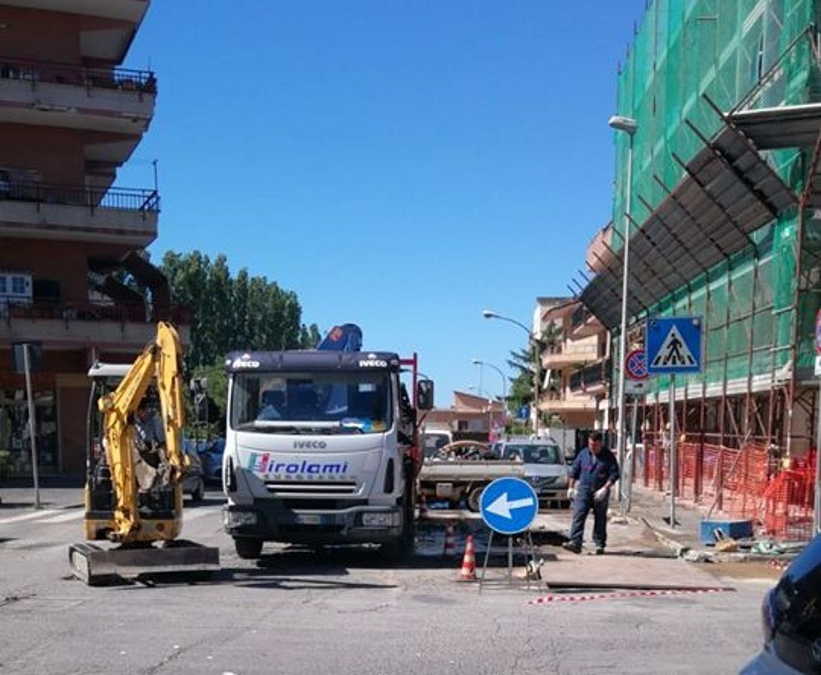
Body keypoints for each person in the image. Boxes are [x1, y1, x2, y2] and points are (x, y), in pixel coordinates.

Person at [562, 431, 619, 555]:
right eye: (590, 444)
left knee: (600, 518)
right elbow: (574, 471)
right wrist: (571, 488)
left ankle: (599, 544)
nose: (592, 447)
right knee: (579, 514)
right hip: (584, 489)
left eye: (595, 445)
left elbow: (614, 474)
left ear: (600, 444)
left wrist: (605, 488)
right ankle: (575, 542)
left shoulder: (608, 456)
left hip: (600, 490)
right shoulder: (583, 454)